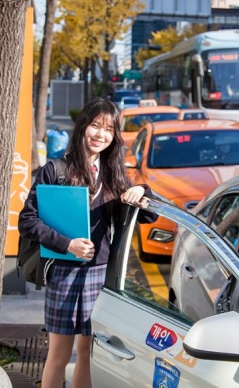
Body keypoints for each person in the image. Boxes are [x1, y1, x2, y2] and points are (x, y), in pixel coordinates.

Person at [18, 97, 157, 388]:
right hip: (64, 272)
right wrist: (66, 244)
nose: (100, 135)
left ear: (114, 136)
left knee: (87, 351)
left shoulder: (114, 174)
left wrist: (142, 191)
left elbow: (148, 215)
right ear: (83, 127)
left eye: (108, 129)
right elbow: (27, 221)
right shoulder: (55, 170)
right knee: (58, 353)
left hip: (99, 273)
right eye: (95, 126)